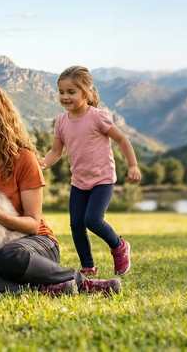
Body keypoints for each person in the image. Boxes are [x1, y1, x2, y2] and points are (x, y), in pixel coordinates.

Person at [0, 84, 121, 295]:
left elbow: (33, 224)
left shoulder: (24, 159)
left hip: (33, 245)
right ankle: (32, 290)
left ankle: (81, 282)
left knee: (7, 256)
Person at [40, 66, 140, 277]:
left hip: (103, 179)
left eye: (71, 92)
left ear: (85, 93)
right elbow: (56, 151)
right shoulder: (61, 121)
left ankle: (119, 246)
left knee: (92, 220)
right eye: (61, 92)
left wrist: (132, 165)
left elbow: (122, 139)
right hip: (79, 181)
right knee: (76, 224)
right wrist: (43, 163)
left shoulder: (97, 117)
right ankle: (88, 266)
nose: (65, 97)